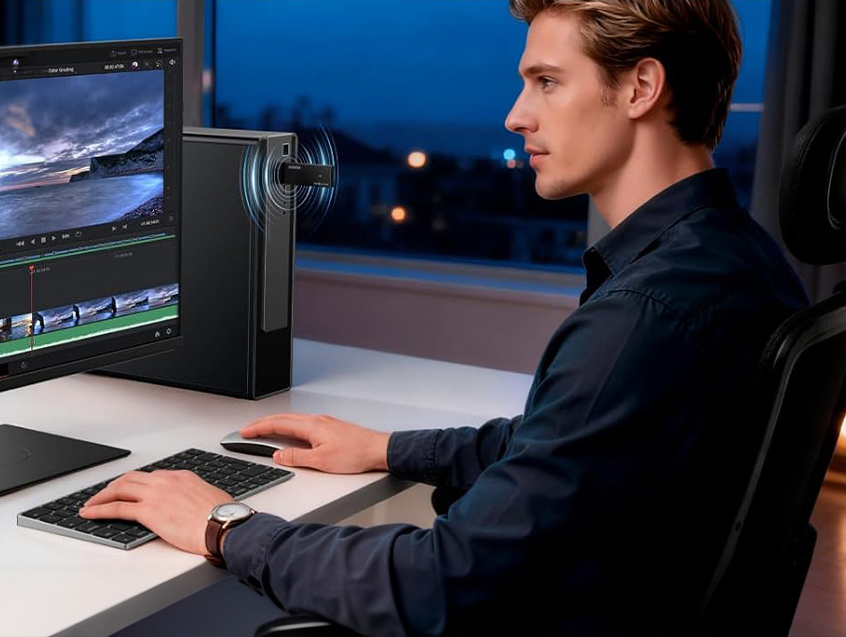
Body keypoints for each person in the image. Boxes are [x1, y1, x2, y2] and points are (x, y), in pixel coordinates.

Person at [80, 0, 809, 633]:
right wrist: (390, 448)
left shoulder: (642, 317)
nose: (515, 115)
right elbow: (567, 449)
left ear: (642, 88)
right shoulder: (739, 264)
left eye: (547, 82)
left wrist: (221, 524)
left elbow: (437, 582)